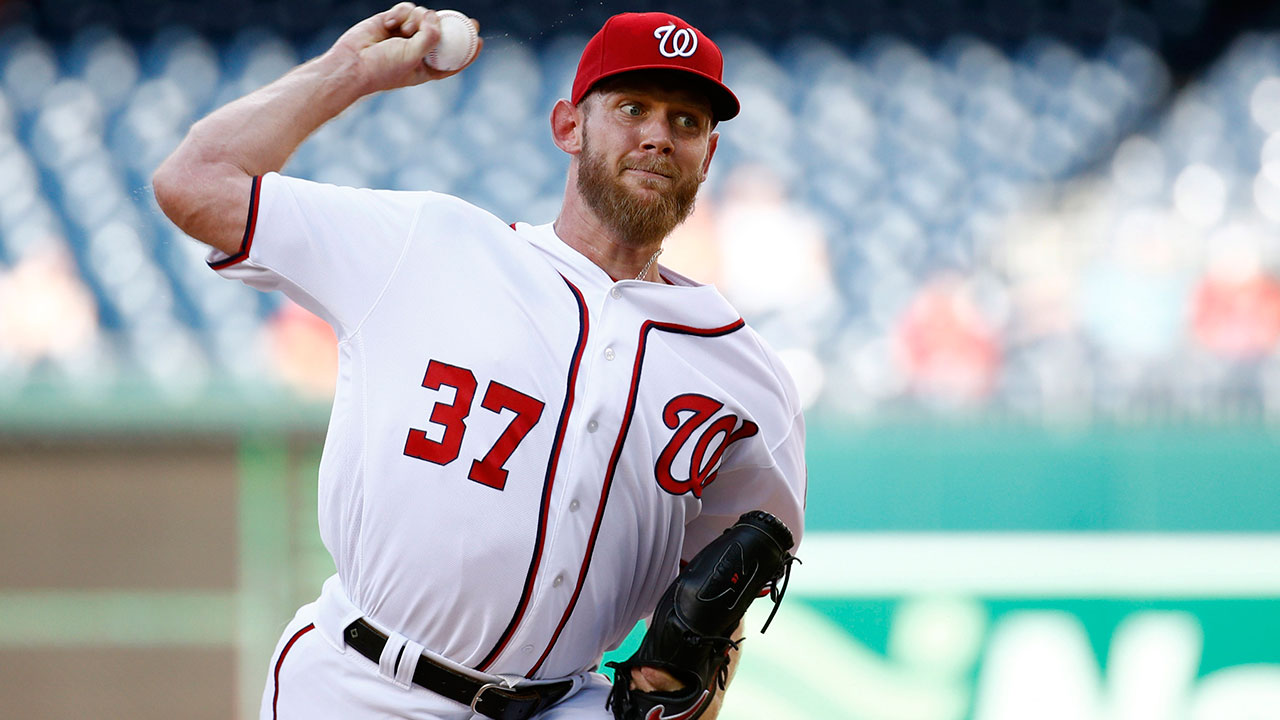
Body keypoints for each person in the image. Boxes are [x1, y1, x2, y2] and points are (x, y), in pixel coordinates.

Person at [152, 5, 806, 719]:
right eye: (632, 106)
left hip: (564, 704)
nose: (658, 134)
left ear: (709, 156)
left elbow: (722, 602)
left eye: (687, 121)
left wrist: (689, 697)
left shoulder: (747, 381)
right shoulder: (428, 245)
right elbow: (193, 182)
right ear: (569, 126)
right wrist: (352, 72)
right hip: (359, 685)